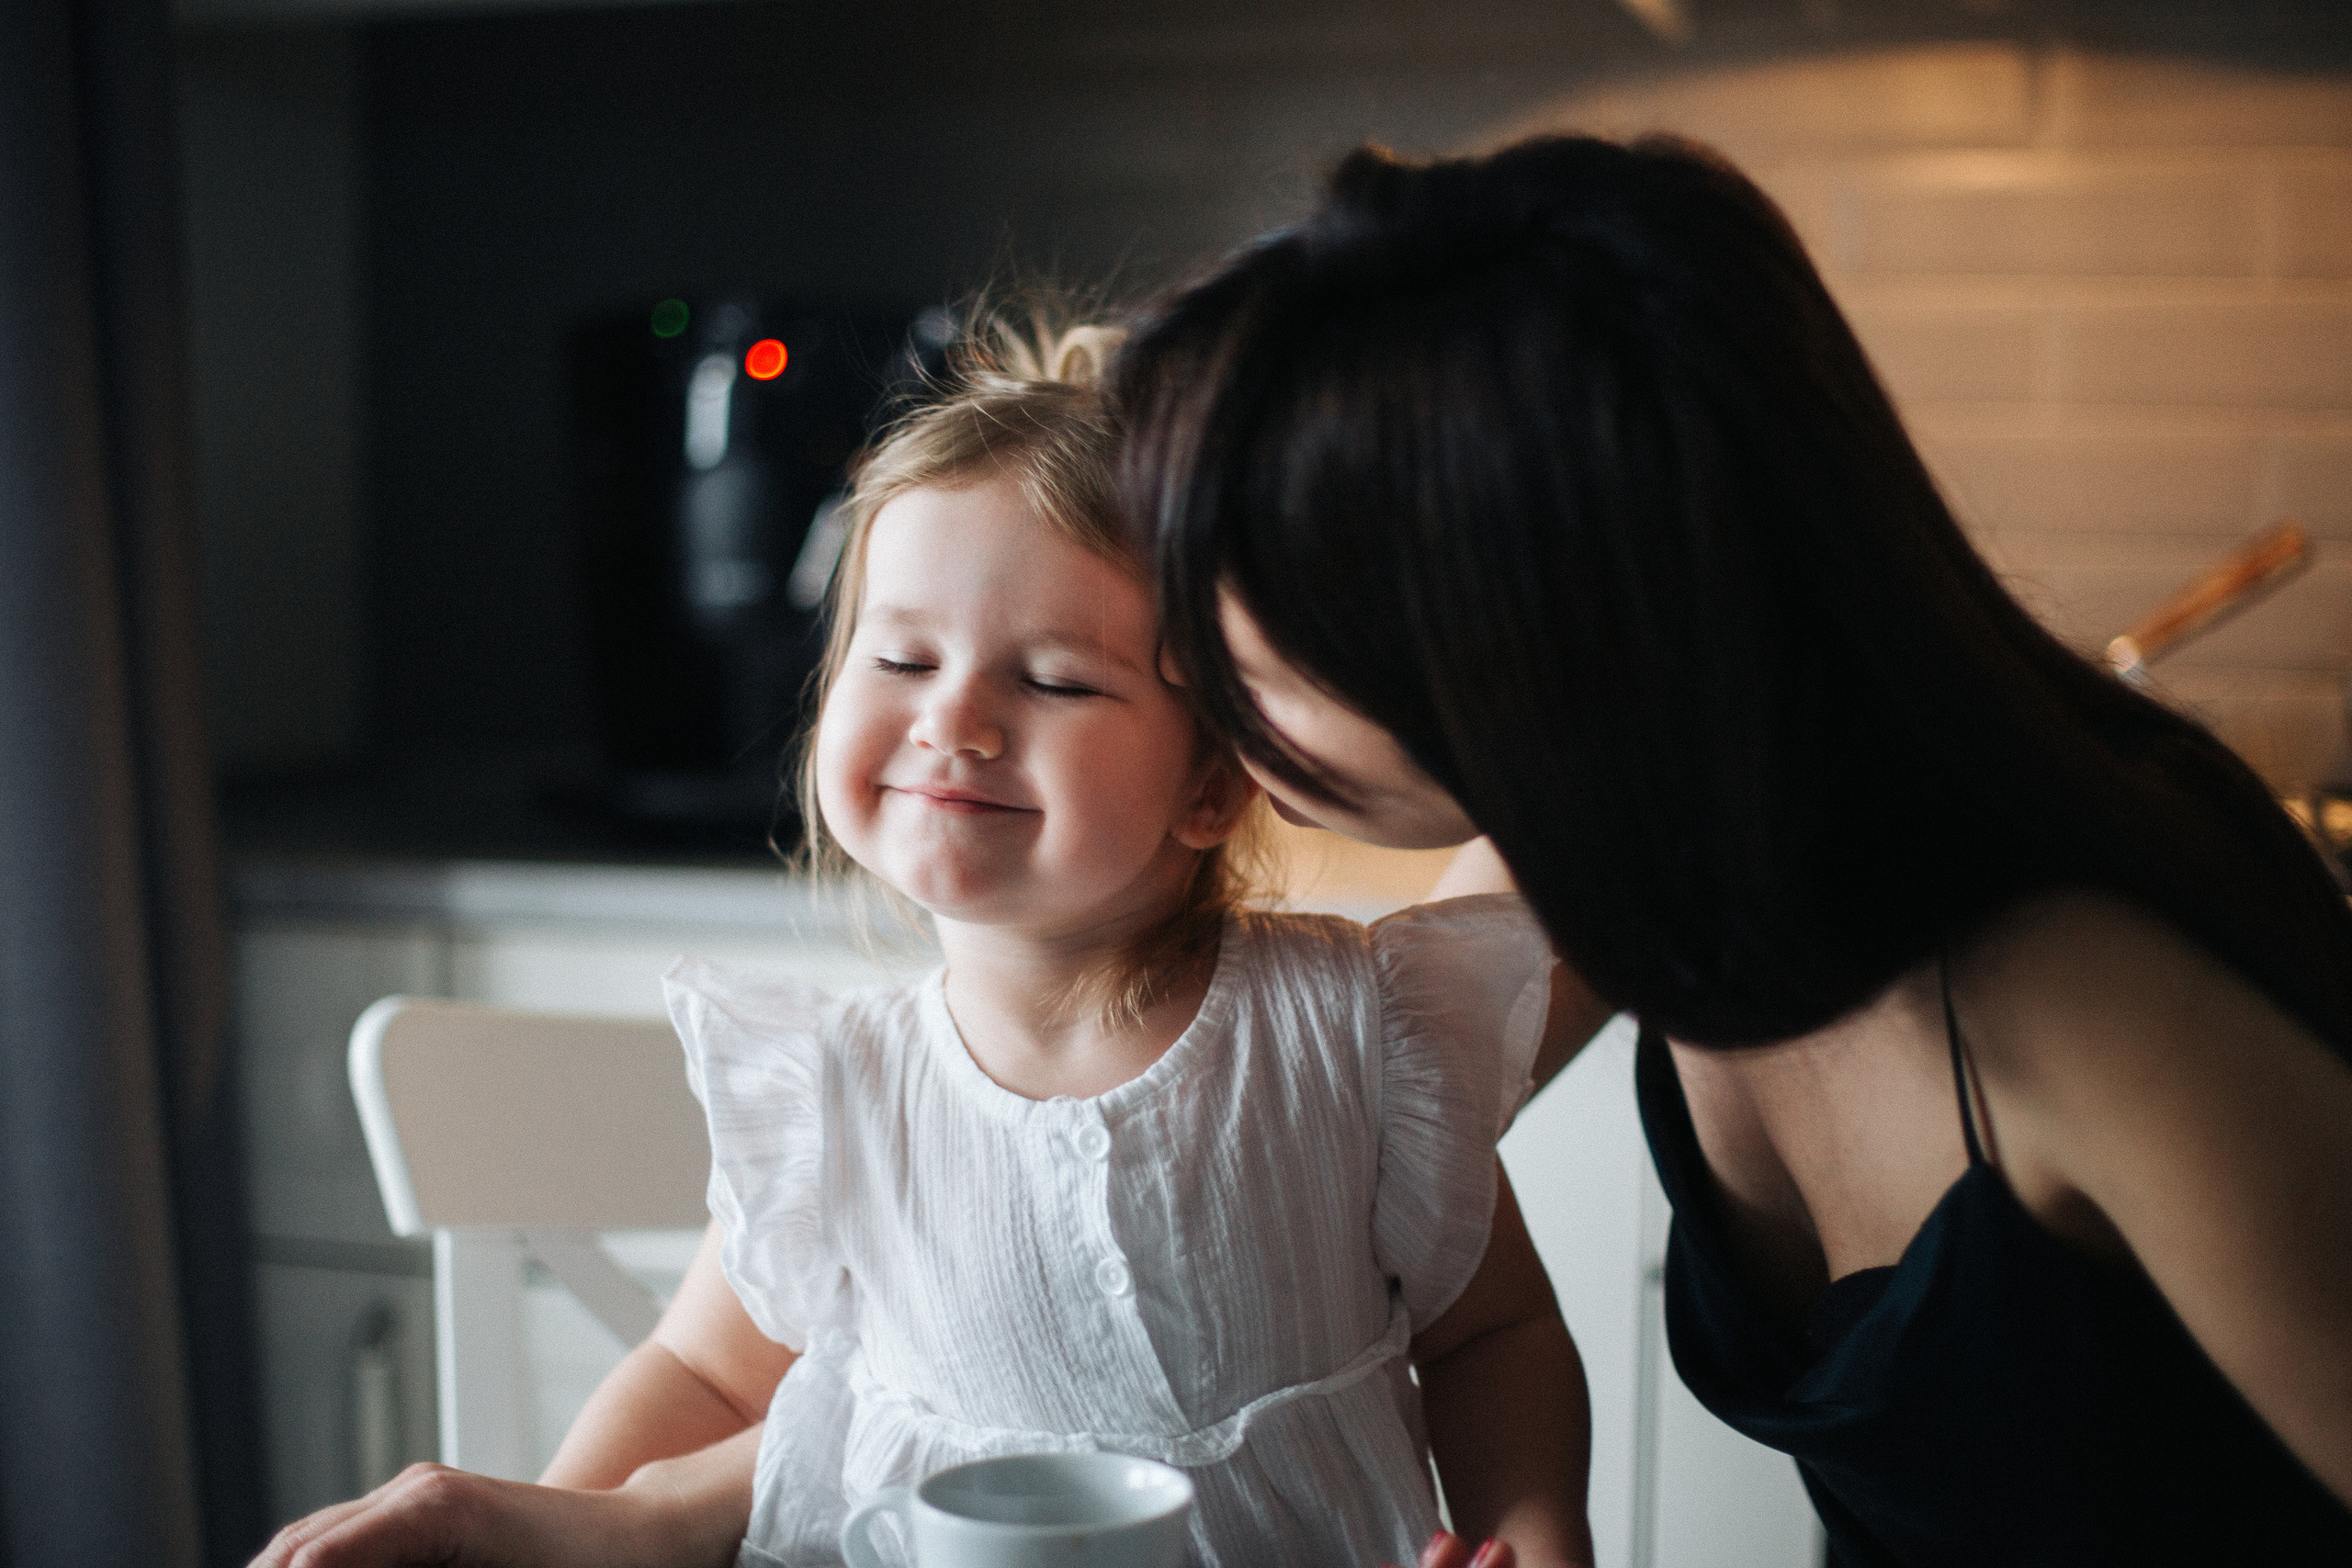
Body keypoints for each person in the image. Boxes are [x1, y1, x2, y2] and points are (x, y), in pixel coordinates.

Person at [1111, 135, 2352, 1565]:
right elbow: (1284, 1135)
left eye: (1247, 636)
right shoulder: (1631, 852)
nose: (1197, 682)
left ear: (1510, 645)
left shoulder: (2084, 1004)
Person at [254, 321, 1596, 1568]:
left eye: (1058, 679)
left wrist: (1531, 1531)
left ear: (1213, 784)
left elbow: (1495, 1338)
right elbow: (708, 1380)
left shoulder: (1355, 1035)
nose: (954, 719)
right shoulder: (836, 1089)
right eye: (899, 661)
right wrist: (554, 1527)